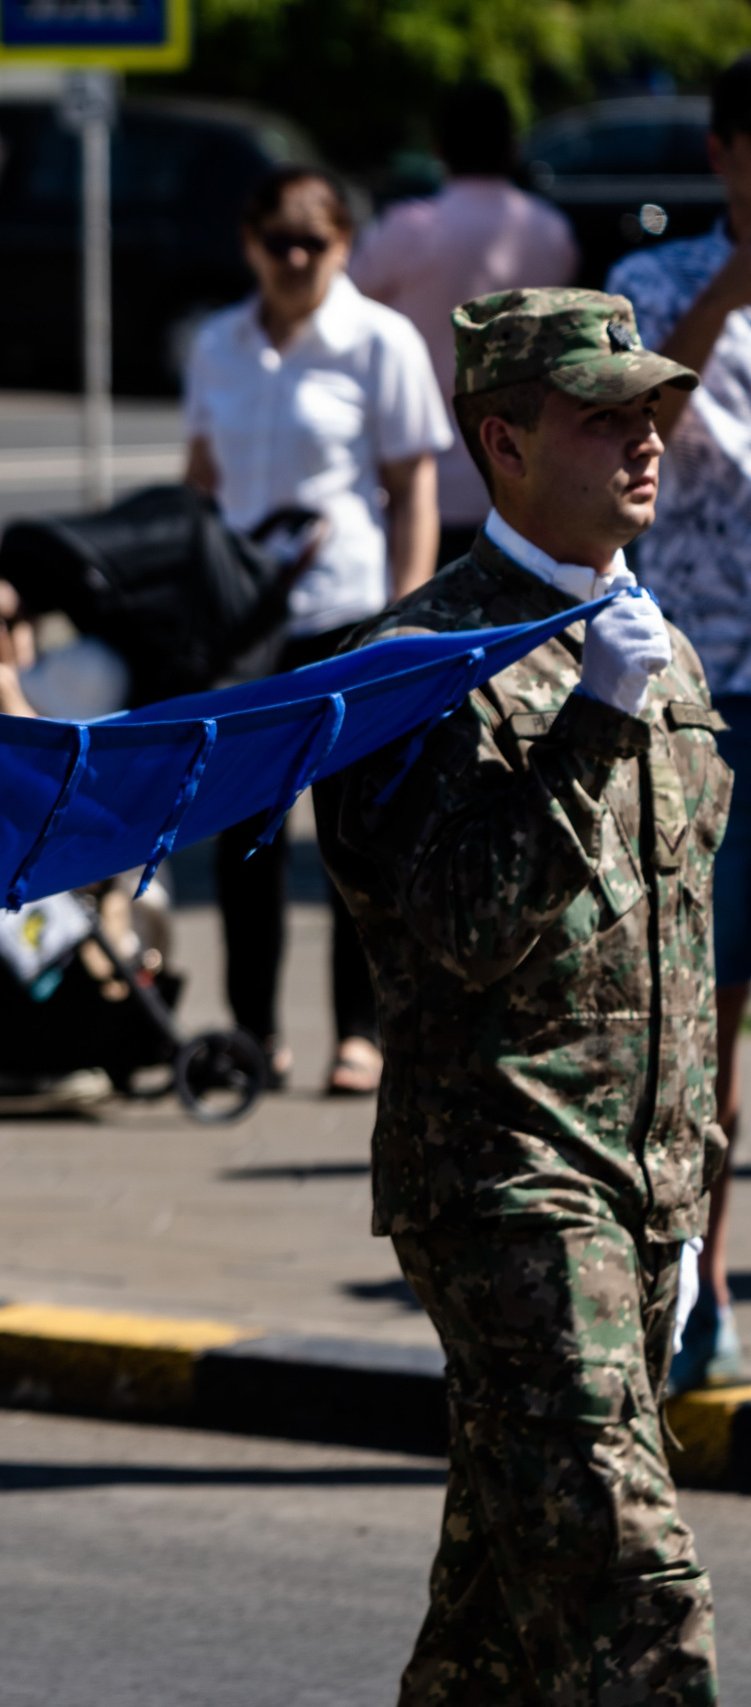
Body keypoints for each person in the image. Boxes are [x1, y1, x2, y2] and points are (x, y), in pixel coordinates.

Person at [315, 288, 724, 1704]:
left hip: (643, 1180)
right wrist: (590, 725)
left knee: (502, 1600)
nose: (645, 439)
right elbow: (456, 924)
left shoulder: (648, 639)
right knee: (630, 1571)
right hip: (508, 1176)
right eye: (600, 416)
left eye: (650, 410)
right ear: (501, 439)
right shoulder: (409, 669)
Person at [183, 164, 451, 1097]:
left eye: (315, 242)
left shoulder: (378, 340)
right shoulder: (219, 343)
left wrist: (407, 613)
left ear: (344, 246)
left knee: (353, 834)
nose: (296, 259)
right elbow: (202, 477)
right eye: (278, 241)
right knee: (242, 832)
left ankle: (358, 1029)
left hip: (348, 610)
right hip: (247, 620)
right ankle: (255, 1029)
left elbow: (413, 482)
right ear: (250, 242)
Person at [607, 51, 751, 1392]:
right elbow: (642, 423)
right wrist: (727, 291)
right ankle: (696, 1292)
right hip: (710, 698)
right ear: (724, 156)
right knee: (703, 1016)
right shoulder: (653, 290)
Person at [350, 80, 579, 563]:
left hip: (425, 485)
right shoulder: (550, 232)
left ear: (437, 148)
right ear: (512, 147)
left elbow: (350, 308)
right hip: (529, 482)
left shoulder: (409, 230)